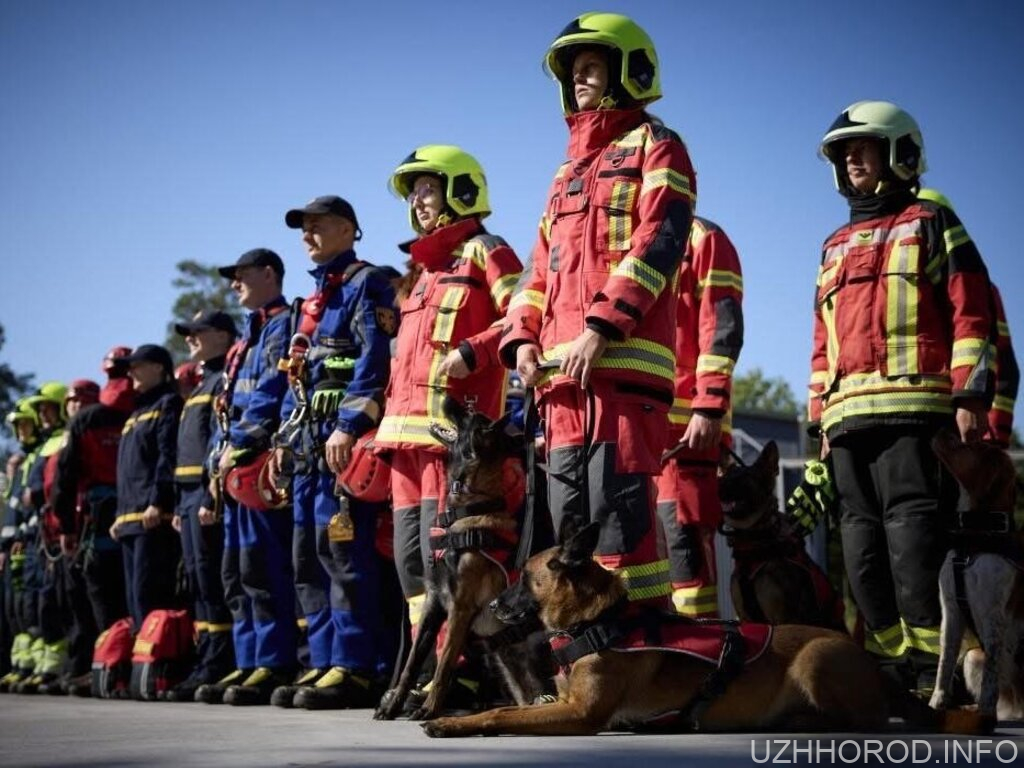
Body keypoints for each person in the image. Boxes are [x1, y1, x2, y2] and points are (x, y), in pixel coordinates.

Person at [499, 12, 696, 606]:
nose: (579, 79)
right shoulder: (564, 175)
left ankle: (641, 660)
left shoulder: (658, 146)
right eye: (574, 71)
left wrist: (602, 327)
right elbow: (539, 271)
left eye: (591, 67)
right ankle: (586, 672)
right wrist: (522, 341)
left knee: (621, 525)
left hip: (621, 375)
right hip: (560, 386)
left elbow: (658, 241)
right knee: (570, 533)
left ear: (626, 72)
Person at [810, 101, 994, 693]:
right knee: (861, 554)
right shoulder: (833, 244)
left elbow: (973, 310)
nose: (852, 159)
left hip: (914, 414)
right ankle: (894, 669)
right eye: (844, 152)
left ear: (901, 153)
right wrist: (818, 422)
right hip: (845, 423)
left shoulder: (931, 220)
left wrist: (969, 396)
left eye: (863, 147)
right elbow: (822, 342)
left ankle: (938, 669)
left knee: (912, 545)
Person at [376, 146, 523, 705]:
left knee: (448, 566)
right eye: (412, 193)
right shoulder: (418, 271)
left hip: (452, 449)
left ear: (462, 190)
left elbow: (523, 316)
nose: (417, 202)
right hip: (403, 447)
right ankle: (423, 674)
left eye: (428, 189)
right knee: (412, 567)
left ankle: (454, 673)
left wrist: (475, 350)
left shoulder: (488, 250)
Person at [268, 195, 398, 710]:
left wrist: (349, 425)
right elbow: (297, 381)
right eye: (304, 228)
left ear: (347, 230)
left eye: (317, 226)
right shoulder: (313, 301)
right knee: (307, 559)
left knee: (344, 556)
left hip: (341, 446)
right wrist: (282, 441)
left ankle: (356, 666)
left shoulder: (368, 283)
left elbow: (375, 360)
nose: (307, 235)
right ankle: (323, 660)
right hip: (305, 446)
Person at [195, 248, 294, 706]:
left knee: (262, 569)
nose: (234, 283)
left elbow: (271, 396)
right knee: (235, 574)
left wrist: (239, 451)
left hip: (256, 468)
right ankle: (250, 658)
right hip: (232, 469)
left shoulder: (281, 324)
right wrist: (217, 462)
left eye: (242, 275)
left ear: (269, 274)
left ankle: (273, 662)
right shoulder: (243, 340)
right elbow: (226, 411)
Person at [656, 216, 743, 618]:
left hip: (687, 436)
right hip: (632, 433)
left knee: (685, 554)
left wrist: (708, 405)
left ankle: (700, 659)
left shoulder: (703, 239)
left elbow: (721, 329)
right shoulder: (620, 236)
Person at [50, 348, 134, 696]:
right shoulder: (147, 409)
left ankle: (109, 668)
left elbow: (64, 480)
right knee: (135, 593)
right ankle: (132, 665)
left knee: (99, 595)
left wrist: (66, 526)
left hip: (96, 519)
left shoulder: (85, 421)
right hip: (139, 513)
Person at [164, 311, 238, 701]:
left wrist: (212, 493)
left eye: (198, 332)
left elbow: (220, 441)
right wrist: (180, 503)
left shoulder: (226, 376)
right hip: (188, 495)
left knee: (212, 578)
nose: (191, 338)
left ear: (223, 335)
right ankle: (207, 657)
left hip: (210, 492)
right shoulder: (200, 384)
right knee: (197, 580)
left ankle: (221, 661)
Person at [110, 345, 183, 631]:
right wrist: (120, 513)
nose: (131, 372)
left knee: (149, 595)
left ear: (158, 368)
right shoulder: (136, 412)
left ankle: (161, 667)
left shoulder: (168, 404)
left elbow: (167, 457)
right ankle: (143, 665)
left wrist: (158, 501)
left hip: (152, 519)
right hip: (128, 520)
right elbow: (128, 469)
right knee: (132, 598)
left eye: (137, 365)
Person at [0, 401, 42, 692]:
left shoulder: (37, 457)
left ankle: (39, 665)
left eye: (27, 424)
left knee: (33, 606)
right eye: (19, 427)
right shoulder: (23, 463)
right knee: (16, 609)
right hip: (15, 547)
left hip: (33, 542)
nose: (22, 431)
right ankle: (22, 664)